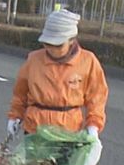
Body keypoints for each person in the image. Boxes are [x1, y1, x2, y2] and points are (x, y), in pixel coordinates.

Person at [7, 9, 108, 141]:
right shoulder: (34, 60)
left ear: (71, 40)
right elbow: (20, 93)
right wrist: (15, 116)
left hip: (69, 132)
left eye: (58, 45)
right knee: (33, 162)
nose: (51, 49)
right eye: (47, 44)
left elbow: (97, 96)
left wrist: (93, 125)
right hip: (35, 129)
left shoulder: (88, 61)